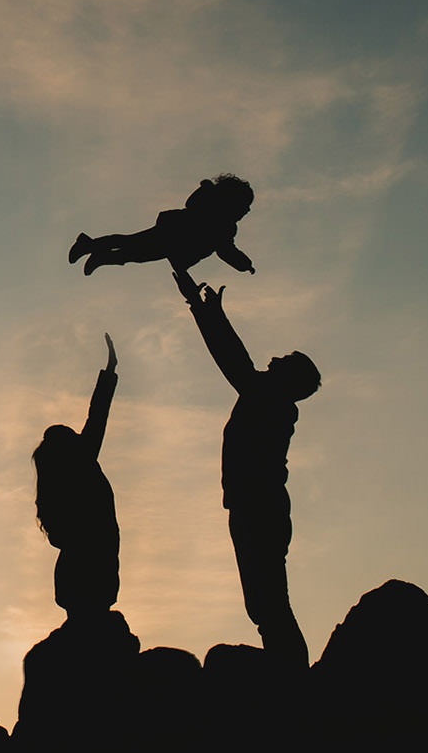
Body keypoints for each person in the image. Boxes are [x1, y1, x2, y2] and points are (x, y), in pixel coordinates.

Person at [173, 266, 319, 668]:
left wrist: (205, 311)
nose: (273, 359)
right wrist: (206, 310)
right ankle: (289, 671)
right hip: (257, 507)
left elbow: (234, 361)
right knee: (266, 603)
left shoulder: (270, 401)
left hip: (259, 508)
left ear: (290, 379)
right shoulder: (269, 397)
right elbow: (237, 361)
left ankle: (292, 676)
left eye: (284, 361)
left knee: (268, 604)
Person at [34, 333, 121, 618]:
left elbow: (96, 418)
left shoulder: (53, 480)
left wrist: (109, 372)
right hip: (93, 561)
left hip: (80, 566)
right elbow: (97, 417)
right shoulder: (79, 463)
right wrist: (109, 372)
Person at [70, 175, 256, 277]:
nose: (246, 211)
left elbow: (227, 251)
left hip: (177, 249)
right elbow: (191, 204)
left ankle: (100, 257)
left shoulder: (226, 228)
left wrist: (244, 264)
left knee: (135, 253)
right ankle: (89, 246)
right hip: (171, 235)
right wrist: (207, 190)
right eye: (244, 206)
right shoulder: (212, 215)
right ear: (232, 203)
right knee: (131, 244)